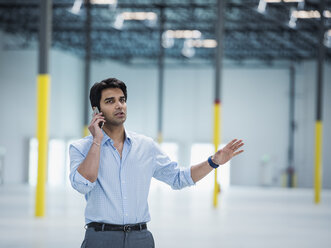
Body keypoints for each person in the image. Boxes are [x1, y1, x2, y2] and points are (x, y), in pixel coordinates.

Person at [69, 78, 244, 248]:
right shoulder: (81, 147)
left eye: (122, 100)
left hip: (140, 238)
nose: (119, 105)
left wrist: (213, 162)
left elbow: (178, 178)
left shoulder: (146, 146)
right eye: (110, 101)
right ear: (96, 110)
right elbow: (82, 185)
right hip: (101, 238)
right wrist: (97, 141)